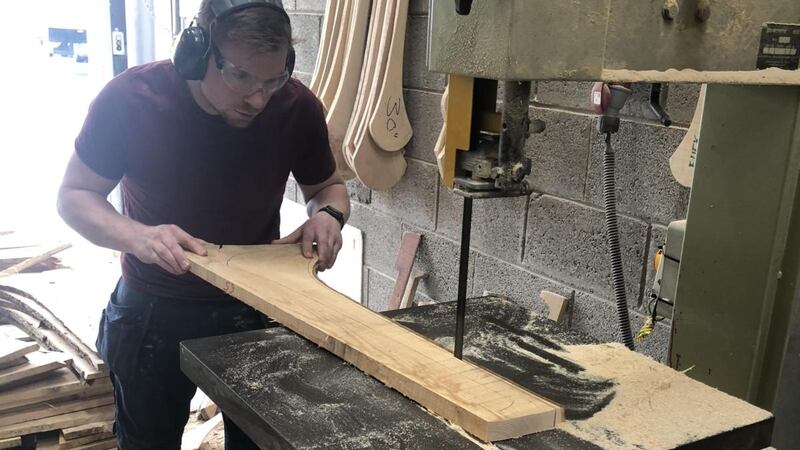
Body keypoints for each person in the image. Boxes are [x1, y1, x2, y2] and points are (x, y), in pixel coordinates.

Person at [56, 0, 350, 448]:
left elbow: (327, 186)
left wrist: (328, 216)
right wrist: (138, 236)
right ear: (196, 50)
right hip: (152, 309)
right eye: (240, 76)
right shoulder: (131, 99)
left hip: (254, 307)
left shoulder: (296, 107)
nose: (258, 98)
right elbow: (74, 196)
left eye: (273, 79)